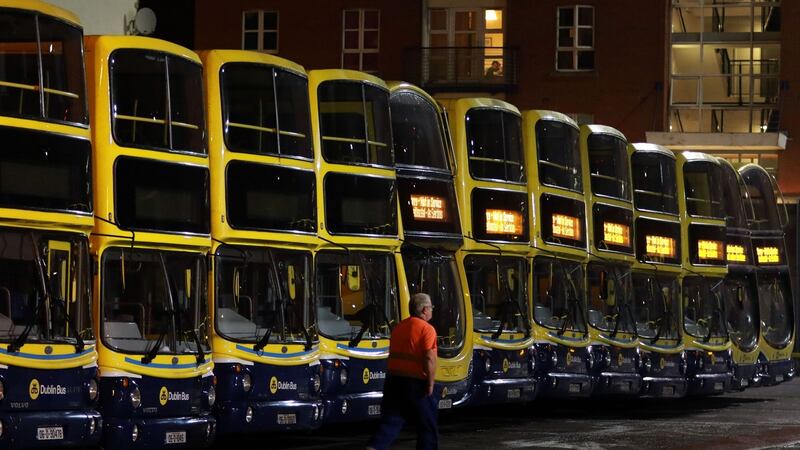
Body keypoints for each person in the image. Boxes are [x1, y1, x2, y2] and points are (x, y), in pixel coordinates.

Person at [366, 293, 438, 450]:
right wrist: (431, 383)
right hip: (416, 383)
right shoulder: (427, 329)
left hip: (393, 381)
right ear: (424, 310)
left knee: (391, 420)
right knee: (427, 425)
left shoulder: (399, 327)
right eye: (431, 307)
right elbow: (429, 358)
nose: (432, 310)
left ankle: (374, 447)